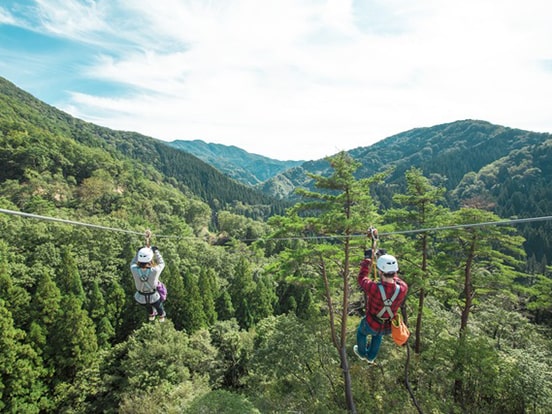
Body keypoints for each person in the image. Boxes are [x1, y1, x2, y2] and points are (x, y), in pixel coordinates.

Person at [354, 249, 408, 363]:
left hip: (371, 323)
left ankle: (362, 353)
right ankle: (371, 357)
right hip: (386, 326)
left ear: (380, 271)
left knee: (361, 332)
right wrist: (384, 257)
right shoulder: (403, 288)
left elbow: (362, 278)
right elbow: (395, 278)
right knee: (378, 335)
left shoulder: (375, 288)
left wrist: (368, 260)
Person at [130, 245, 166, 322]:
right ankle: (161, 315)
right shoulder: (154, 270)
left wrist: (138, 253)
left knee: (147, 306)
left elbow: (133, 262)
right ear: (150, 260)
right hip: (154, 296)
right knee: (158, 305)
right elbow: (161, 263)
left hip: (140, 298)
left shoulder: (134, 269)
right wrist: (156, 252)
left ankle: (151, 313)